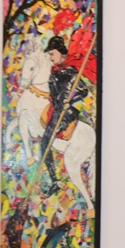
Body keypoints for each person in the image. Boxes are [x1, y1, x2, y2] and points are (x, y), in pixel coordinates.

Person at [41, 35, 88, 192]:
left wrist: (70, 100)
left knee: (45, 142)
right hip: (56, 109)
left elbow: (83, 91)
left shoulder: (70, 72)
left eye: (52, 54)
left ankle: (56, 181)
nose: (50, 57)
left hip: (65, 112)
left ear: (61, 53)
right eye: (49, 54)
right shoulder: (55, 71)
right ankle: (54, 180)